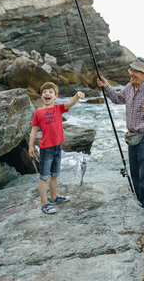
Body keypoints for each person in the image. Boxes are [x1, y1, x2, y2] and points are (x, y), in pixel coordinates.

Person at [97, 57, 144, 216]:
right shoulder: (129, 86)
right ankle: (141, 207)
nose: (131, 73)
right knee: (135, 175)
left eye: (134, 71)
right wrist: (106, 87)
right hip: (132, 138)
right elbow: (118, 99)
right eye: (131, 70)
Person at [28, 82, 85, 214]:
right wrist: (31, 146)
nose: (47, 94)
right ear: (42, 96)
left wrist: (77, 95)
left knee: (55, 174)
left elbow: (70, 104)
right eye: (44, 92)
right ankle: (44, 204)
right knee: (43, 177)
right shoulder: (38, 112)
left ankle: (53, 197)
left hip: (57, 147)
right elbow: (34, 130)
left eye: (50, 92)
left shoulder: (59, 108)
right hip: (46, 149)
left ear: (55, 96)